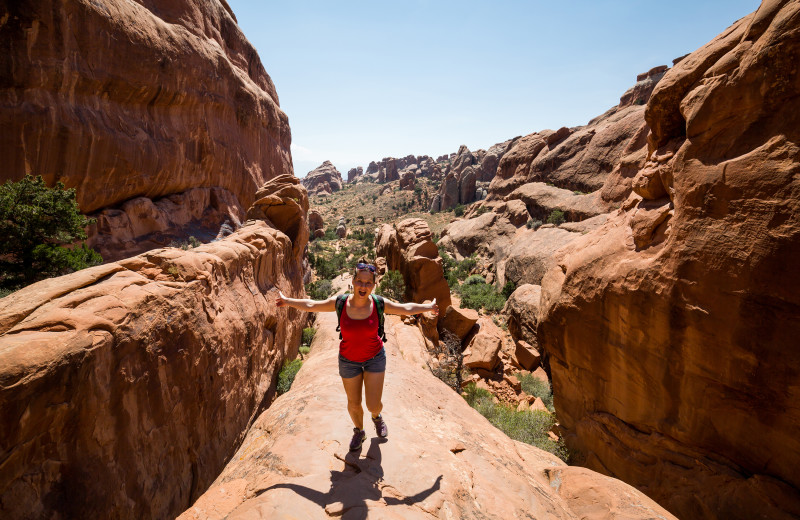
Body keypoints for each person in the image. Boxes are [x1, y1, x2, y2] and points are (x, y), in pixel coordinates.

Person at [276, 262, 439, 451]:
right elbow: (312, 304)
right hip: (348, 361)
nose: (363, 286)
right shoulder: (340, 302)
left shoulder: (378, 303)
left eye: (368, 283)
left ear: (373, 284)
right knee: (354, 404)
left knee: (373, 404)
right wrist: (287, 301)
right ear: (353, 281)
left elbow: (405, 308)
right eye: (360, 281)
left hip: (374, 358)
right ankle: (359, 431)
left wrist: (427, 308)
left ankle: (377, 417)